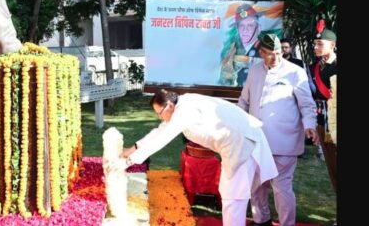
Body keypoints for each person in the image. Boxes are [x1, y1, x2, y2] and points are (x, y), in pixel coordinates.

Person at [112, 89, 278, 226]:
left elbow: (163, 139)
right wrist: (131, 150)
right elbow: (160, 131)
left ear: (169, 105)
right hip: (240, 142)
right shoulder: (181, 105)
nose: (159, 117)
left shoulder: (184, 110)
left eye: (160, 113)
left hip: (243, 142)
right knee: (233, 195)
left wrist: (128, 162)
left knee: (233, 197)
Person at [238, 33, 318, 226]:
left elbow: (307, 104)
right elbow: (244, 101)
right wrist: (237, 124)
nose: (275, 58)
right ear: (261, 52)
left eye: (278, 53)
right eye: (270, 54)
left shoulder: (295, 72)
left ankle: (286, 224)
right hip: (256, 140)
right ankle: (261, 219)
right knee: (256, 185)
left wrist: (309, 126)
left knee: (282, 188)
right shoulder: (255, 71)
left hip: (285, 140)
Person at [309, 20, 337, 192]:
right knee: (333, 168)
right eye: (315, 43)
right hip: (323, 124)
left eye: (320, 43)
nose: (316, 47)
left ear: (332, 45)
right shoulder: (313, 68)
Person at [219, 4, 263, 86]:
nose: (245, 30)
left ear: (259, 29)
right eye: (241, 25)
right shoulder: (231, 50)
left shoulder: (266, 52)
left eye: (250, 25)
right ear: (237, 29)